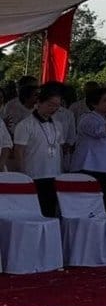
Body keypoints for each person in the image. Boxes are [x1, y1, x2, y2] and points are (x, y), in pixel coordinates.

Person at [12, 84, 66, 216]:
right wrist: (23, 175)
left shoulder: (58, 125)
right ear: (39, 102)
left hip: (54, 175)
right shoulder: (25, 125)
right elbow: (18, 151)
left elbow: (60, 148)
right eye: (50, 104)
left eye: (57, 106)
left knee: (50, 212)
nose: (53, 108)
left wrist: (61, 170)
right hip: (33, 175)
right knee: (34, 213)